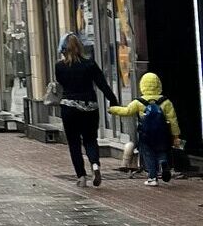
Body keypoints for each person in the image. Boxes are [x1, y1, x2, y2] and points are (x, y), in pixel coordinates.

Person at [53, 32, 119, 186]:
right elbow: (103, 84)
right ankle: (95, 165)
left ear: (63, 49)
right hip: (90, 107)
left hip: (69, 107)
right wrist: (113, 101)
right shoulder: (89, 64)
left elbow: (61, 83)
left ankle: (81, 177)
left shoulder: (59, 67)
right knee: (90, 139)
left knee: (74, 143)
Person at [109, 71, 182, 187]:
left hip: (146, 134)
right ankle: (163, 163)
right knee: (162, 151)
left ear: (142, 85)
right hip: (162, 134)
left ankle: (152, 178)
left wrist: (112, 109)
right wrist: (176, 136)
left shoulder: (139, 102)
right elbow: (173, 120)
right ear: (159, 85)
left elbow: (126, 111)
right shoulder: (166, 102)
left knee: (149, 155)